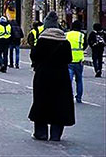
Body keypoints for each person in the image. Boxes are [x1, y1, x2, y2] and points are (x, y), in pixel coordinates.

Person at [28, 11, 75, 141]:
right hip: (61, 76)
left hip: (43, 75)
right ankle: (56, 134)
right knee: (60, 103)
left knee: (41, 102)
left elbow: (34, 56)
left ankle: (41, 132)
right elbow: (69, 58)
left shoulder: (42, 40)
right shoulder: (65, 42)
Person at [66, 21, 86, 103]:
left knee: (68, 80)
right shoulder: (82, 35)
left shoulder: (66, 35)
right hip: (79, 60)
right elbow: (84, 46)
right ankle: (79, 97)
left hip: (68, 60)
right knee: (79, 80)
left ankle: (68, 96)